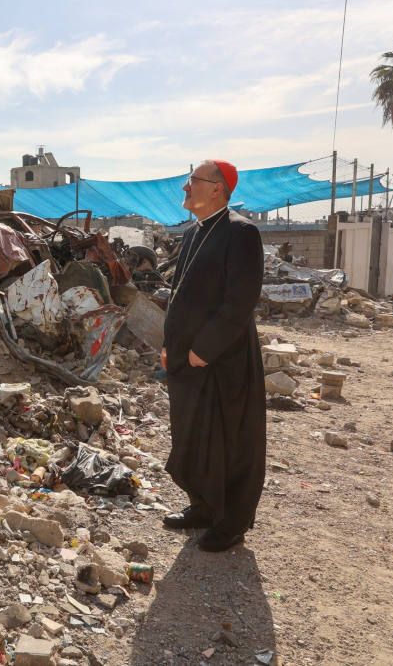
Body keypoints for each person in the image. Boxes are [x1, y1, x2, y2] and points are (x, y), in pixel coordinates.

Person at [159, 159, 266, 552]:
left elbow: (240, 301)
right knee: (193, 437)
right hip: (188, 360)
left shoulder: (241, 232)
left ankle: (232, 522)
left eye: (192, 181)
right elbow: (181, 295)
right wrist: (171, 346)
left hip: (223, 360)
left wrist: (204, 350)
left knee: (230, 441)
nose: (185, 188)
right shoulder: (193, 233)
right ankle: (202, 506)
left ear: (217, 189)